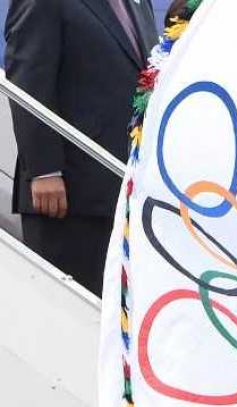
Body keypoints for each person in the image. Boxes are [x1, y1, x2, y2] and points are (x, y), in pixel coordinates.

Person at [4, 0, 158, 296]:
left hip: (125, 194)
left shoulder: (140, 5)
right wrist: (43, 169)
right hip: (68, 198)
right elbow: (29, 78)